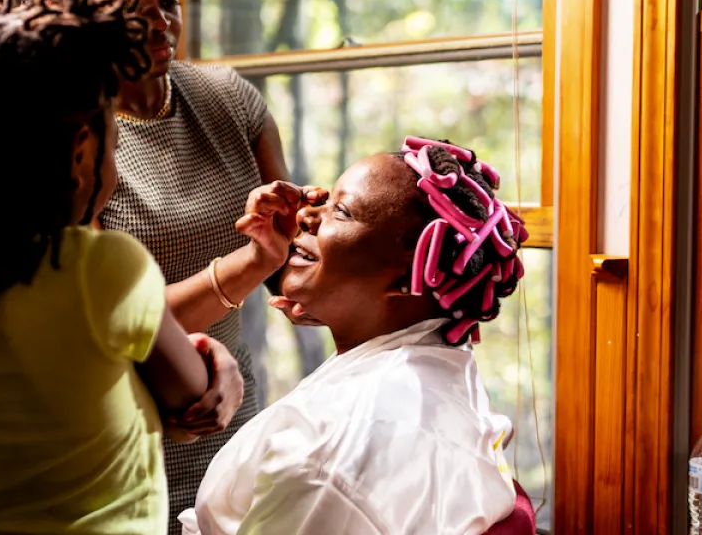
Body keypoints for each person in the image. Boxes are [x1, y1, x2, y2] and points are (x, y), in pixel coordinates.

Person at [0, 0, 249, 533]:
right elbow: (194, 397)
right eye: (110, 134)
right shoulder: (99, 269)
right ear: (79, 153)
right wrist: (223, 366)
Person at [25, 0, 299, 530]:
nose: (161, 24)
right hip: (124, 433)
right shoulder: (72, 142)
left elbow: (294, 263)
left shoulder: (229, 100)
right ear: (74, 18)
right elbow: (113, 317)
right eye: (131, 10)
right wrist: (249, 266)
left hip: (231, 417)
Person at [181, 137, 531, 534]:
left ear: (407, 277)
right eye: (325, 200)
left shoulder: (329, 456)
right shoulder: (435, 362)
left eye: (341, 211)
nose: (306, 216)